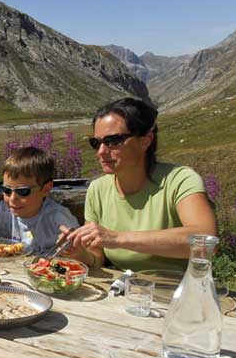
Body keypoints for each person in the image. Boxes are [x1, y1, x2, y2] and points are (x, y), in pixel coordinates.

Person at [62, 97, 217, 271]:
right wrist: (79, 254)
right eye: (96, 143)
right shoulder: (97, 190)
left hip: (177, 290)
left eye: (113, 141)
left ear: (145, 141)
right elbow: (97, 258)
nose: (101, 152)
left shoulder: (180, 180)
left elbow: (206, 241)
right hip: (124, 289)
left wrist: (117, 238)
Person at [0, 146, 80, 258]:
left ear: (46, 189)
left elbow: (80, 254)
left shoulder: (59, 219)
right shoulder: (1, 212)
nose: (13, 198)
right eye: (6, 190)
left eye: (23, 191)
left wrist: (73, 248)